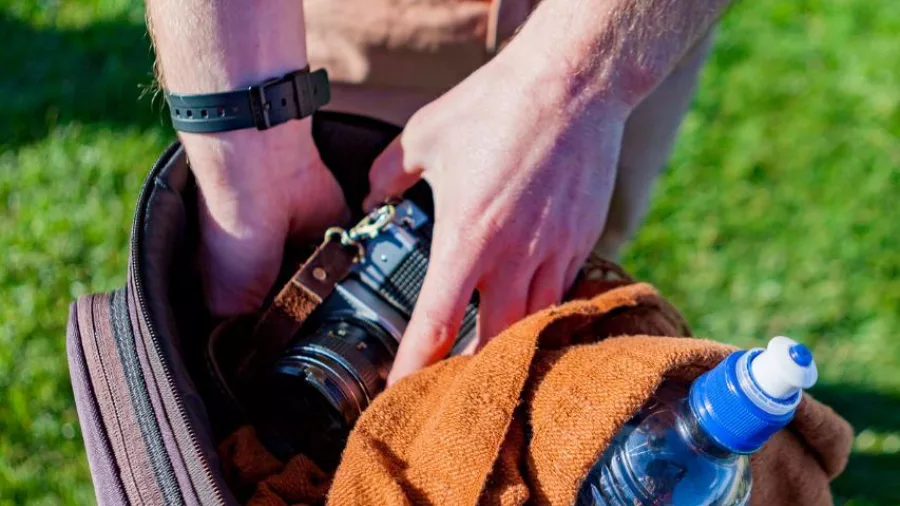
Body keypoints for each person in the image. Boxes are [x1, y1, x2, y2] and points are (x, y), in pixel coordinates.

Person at [146, 0, 728, 384]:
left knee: (551, 278)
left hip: (635, 24)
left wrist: (584, 84)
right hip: (332, 24)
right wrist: (257, 163)